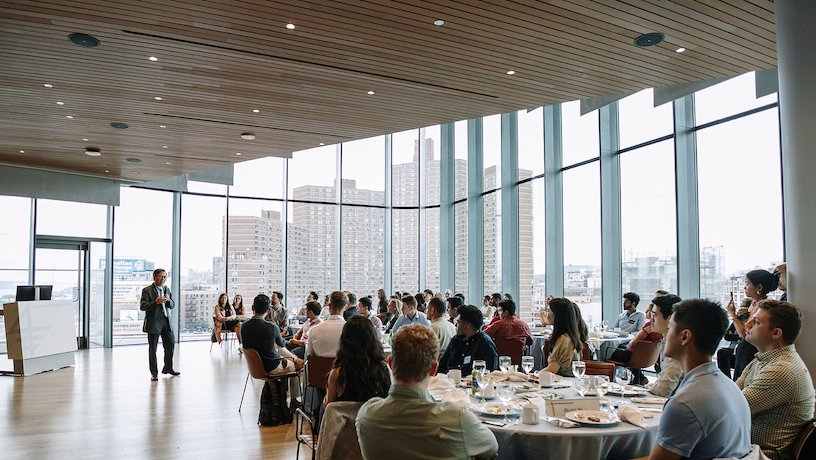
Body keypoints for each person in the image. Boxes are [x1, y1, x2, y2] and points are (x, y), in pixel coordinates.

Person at [356, 323, 499, 460]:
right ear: (434, 369)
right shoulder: (458, 419)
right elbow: (492, 449)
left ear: (391, 364)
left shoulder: (366, 415)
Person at [646, 299, 751, 460]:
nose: (666, 334)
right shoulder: (729, 386)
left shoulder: (684, 404)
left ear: (685, 337)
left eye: (670, 328)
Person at [736, 300, 815, 459]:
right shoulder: (763, 359)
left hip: (762, 454)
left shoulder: (782, 369)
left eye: (756, 322)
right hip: (748, 449)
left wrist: (742, 409)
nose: (748, 324)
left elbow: (730, 408)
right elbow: (733, 394)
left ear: (776, 333)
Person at [241, 294, 304, 406]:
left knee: (279, 351)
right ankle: (294, 400)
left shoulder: (243, 326)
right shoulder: (271, 327)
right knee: (294, 366)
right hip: (271, 367)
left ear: (252, 307)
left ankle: (295, 360)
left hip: (254, 367)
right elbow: (282, 344)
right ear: (269, 310)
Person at [726, 269, 779, 380]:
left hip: (749, 350)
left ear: (759, 288)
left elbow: (744, 334)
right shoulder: (753, 305)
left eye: (747, 283)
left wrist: (733, 315)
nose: (745, 287)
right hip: (746, 350)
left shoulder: (760, 306)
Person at [325, 316, 390, 404]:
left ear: (344, 341)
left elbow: (330, 409)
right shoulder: (384, 371)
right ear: (373, 341)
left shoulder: (338, 375)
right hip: (374, 417)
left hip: (345, 417)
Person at [608, 299, 664, 385]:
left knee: (608, 352)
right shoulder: (660, 328)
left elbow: (633, 343)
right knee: (622, 349)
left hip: (633, 355)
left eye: (648, 310)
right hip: (646, 356)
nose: (646, 311)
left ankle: (608, 379)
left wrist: (630, 343)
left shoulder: (648, 326)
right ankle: (640, 378)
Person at [140, 269, 179, 381]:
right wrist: (156, 303)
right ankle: (154, 373)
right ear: (154, 278)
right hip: (153, 323)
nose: (163, 279)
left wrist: (167, 301)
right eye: (161, 277)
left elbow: (172, 304)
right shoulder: (147, 290)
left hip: (166, 321)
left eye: (165, 277)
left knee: (170, 345)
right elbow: (143, 306)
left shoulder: (166, 289)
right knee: (153, 349)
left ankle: (168, 368)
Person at [437, 305, 498, 375]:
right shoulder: (456, 340)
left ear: (466, 327)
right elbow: (441, 366)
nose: (455, 325)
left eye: (458, 322)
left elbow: (489, 374)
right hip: (448, 383)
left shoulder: (485, 344)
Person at [643, 294, 684, 397]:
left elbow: (664, 389)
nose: (651, 320)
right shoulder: (666, 341)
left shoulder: (677, 348)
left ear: (670, 318)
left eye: (654, 315)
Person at [542, 298, 582, 377]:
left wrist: (533, 376)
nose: (546, 314)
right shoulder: (569, 336)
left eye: (549, 311)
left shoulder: (563, 339)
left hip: (563, 382)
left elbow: (553, 368)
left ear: (557, 315)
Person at [717, 297, 753, 377]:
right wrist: (738, 338)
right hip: (732, 350)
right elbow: (727, 336)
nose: (740, 309)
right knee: (722, 353)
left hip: (741, 351)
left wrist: (737, 337)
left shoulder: (749, 322)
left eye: (743, 306)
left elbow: (744, 335)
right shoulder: (737, 321)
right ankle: (726, 378)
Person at [306, 291, 347, 358]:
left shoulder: (314, 330)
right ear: (345, 307)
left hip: (319, 367)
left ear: (329, 306)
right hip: (343, 368)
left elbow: (310, 357)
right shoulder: (351, 331)